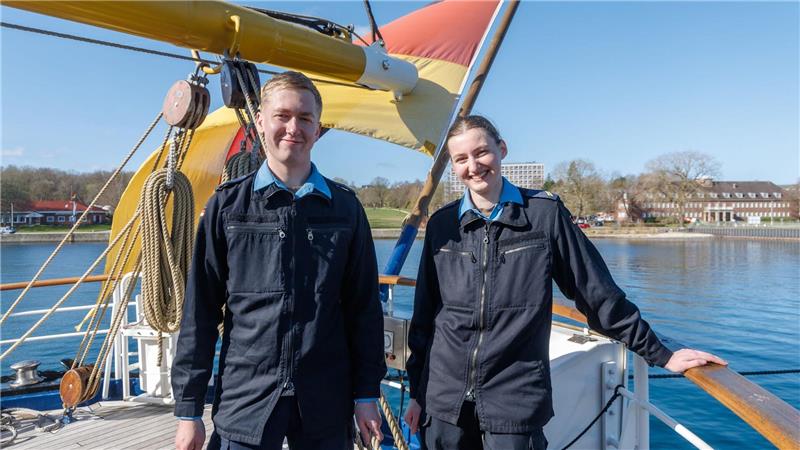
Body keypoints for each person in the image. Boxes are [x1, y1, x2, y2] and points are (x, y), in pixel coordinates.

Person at [403, 115, 727, 450]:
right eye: (461, 159)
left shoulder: (544, 215)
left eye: (481, 152)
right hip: (443, 401)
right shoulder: (443, 226)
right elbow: (426, 316)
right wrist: (416, 392)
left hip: (514, 398)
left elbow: (596, 293)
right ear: (453, 165)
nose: (473, 165)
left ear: (501, 149)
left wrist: (660, 353)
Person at [172, 71, 386, 450]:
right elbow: (200, 312)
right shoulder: (227, 207)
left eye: (305, 118)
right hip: (247, 399)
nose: (293, 128)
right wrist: (189, 410)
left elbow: (363, 310)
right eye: (282, 116)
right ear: (260, 122)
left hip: (324, 400)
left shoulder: (345, 209)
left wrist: (366, 393)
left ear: (318, 128)